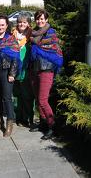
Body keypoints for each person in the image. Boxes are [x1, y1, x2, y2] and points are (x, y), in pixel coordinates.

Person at [29, 9, 63, 140]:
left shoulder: (51, 34)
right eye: (38, 19)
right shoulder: (33, 33)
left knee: (43, 100)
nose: (40, 21)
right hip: (35, 69)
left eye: (42, 19)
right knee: (38, 99)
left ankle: (52, 126)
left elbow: (55, 52)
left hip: (47, 70)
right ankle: (43, 123)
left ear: (47, 20)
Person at [0, 15, 21, 137]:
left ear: (6, 26)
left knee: (7, 98)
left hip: (6, 72)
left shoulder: (11, 40)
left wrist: (12, 73)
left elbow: (16, 58)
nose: (0, 27)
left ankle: (10, 123)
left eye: (2, 25)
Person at [12, 12, 34, 128]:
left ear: (29, 24)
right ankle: (18, 117)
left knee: (27, 96)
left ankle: (28, 118)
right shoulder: (12, 35)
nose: (22, 24)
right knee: (16, 95)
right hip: (14, 71)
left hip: (27, 71)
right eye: (20, 22)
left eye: (24, 22)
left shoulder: (32, 37)